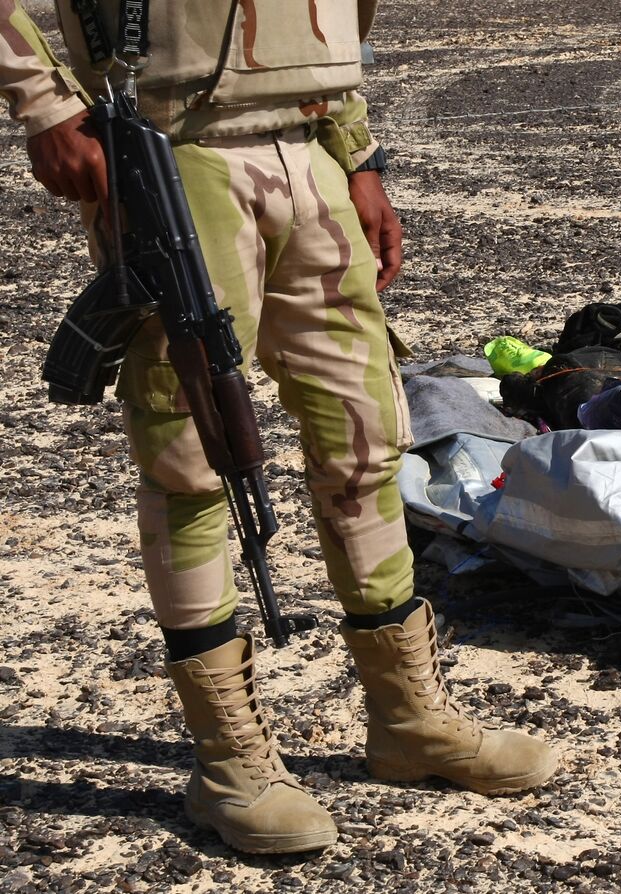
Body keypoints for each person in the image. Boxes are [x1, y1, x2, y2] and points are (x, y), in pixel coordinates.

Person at [0, 0, 556, 854]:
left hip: (310, 149)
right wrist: (42, 101)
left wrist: (359, 158)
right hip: (172, 155)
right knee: (193, 457)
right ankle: (230, 761)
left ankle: (409, 720)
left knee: (368, 442)